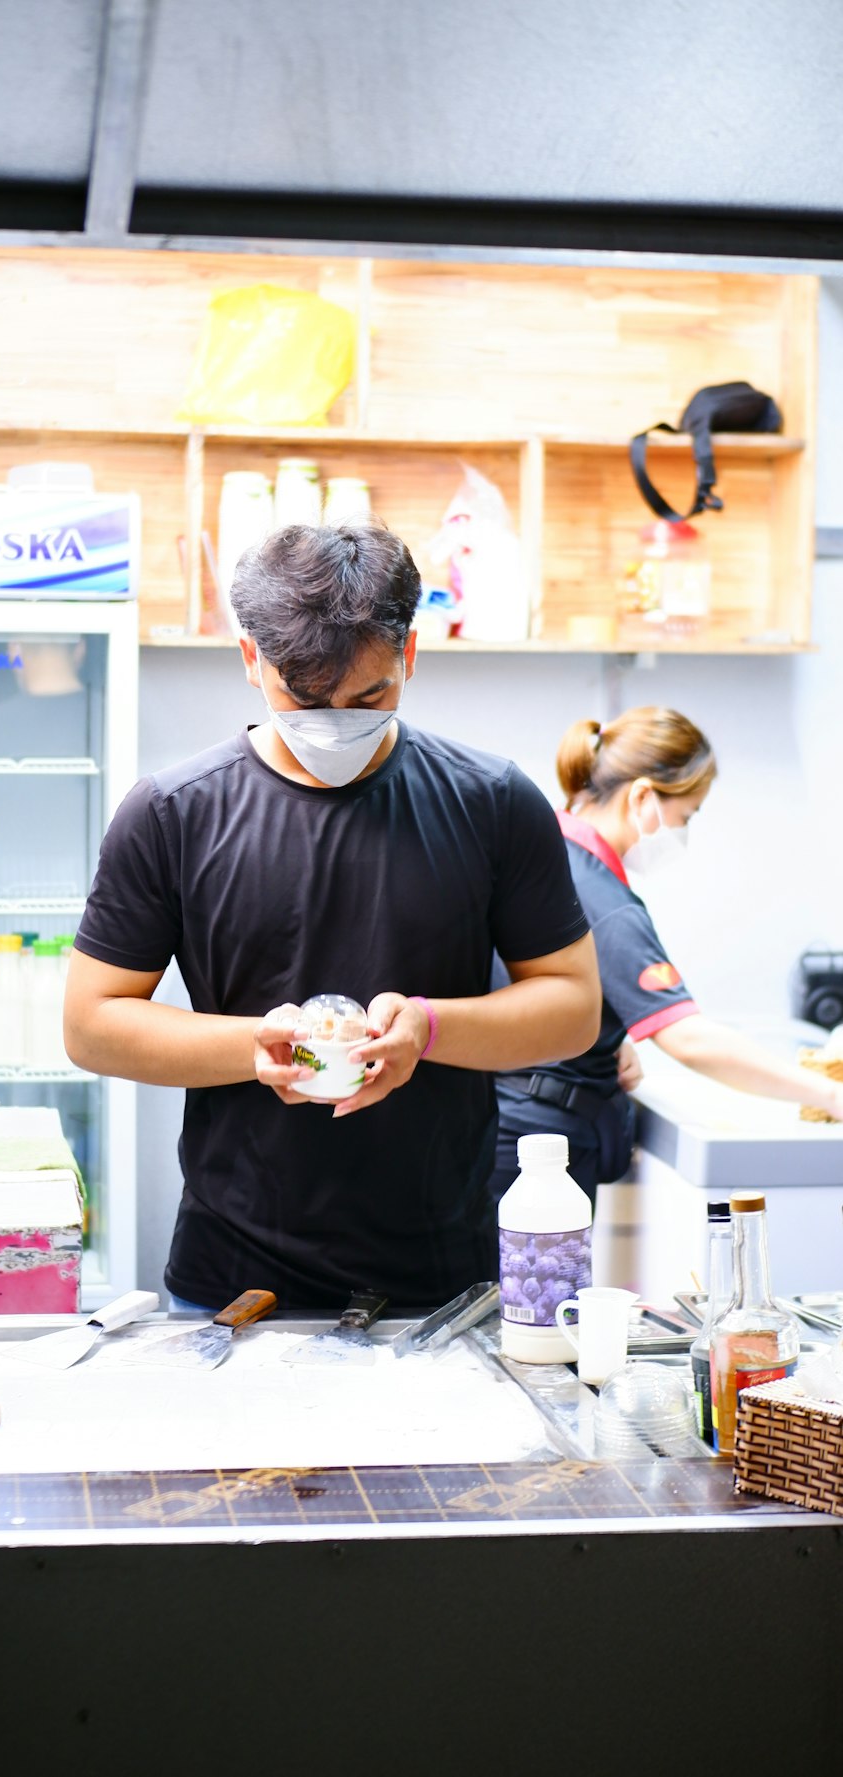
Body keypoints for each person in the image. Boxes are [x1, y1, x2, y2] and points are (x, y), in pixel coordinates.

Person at [64, 523, 601, 1310]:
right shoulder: (173, 813)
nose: (334, 721)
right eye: (303, 698)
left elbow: (573, 1007)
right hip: (234, 1284)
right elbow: (90, 1023)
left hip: (440, 1287)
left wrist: (429, 1027)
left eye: (370, 696)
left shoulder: (492, 802)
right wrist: (253, 1047)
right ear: (251, 659)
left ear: (409, 656)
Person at [487, 704, 843, 1213]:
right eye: (685, 817)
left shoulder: (540, 852)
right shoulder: (601, 898)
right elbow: (688, 1038)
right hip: (538, 1140)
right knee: (539, 1290)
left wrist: (600, 1033)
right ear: (641, 797)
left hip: (499, 1127)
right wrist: (828, 1094)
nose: (684, 834)